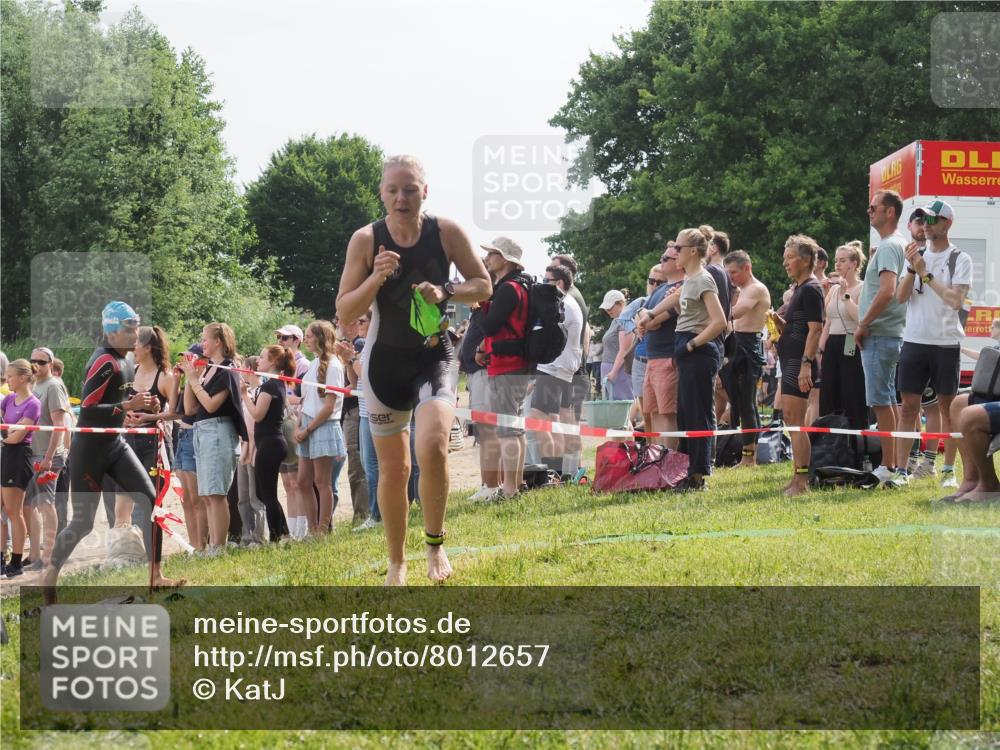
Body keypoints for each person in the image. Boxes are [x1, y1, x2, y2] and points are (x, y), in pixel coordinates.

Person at [337, 154, 491, 585]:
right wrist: (376, 278)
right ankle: (396, 561)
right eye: (393, 190)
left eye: (410, 189)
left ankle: (435, 544)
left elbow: (484, 285)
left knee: (433, 445)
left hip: (433, 356)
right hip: (384, 363)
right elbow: (346, 309)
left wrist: (445, 290)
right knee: (394, 469)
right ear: (382, 194)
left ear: (425, 191)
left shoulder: (445, 232)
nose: (401, 198)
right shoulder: (366, 240)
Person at [43, 302, 183, 598]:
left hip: (115, 443)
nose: (135, 334)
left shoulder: (127, 359)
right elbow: (89, 410)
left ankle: (155, 575)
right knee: (81, 523)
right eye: (129, 328)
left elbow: (118, 403)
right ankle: (50, 576)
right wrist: (127, 406)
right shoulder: (103, 361)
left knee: (150, 501)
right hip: (89, 450)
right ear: (112, 331)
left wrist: (143, 404)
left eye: (136, 327)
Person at [894, 201, 971, 484]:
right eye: (923, 219)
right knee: (907, 407)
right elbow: (901, 298)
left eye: (932, 220)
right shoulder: (916, 255)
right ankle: (901, 471)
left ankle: (949, 471)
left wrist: (926, 273)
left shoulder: (959, 258)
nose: (926, 225)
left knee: (947, 408)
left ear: (947, 223)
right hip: (914, 340)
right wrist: (914, 269)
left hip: (945, 343)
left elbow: (955, 301)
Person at [661, 226, 728, 490]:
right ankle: (687, 471)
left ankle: (698, 475)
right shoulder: (690, 279)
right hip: (687, 349)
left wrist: (691, 345)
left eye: (678, 248)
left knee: (698, 414)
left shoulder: (703, 278)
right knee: (686, 413)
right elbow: (681, 304)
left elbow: (720, 321)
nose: (674, 252)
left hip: (699, 352)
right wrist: (650, 314)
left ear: (692, 251)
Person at [473, 237, 533, 502]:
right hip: (515, 363)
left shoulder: (508, 289)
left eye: (492, 254)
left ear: (506, 259)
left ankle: (509, 489)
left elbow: (490, 327)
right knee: (515, 428)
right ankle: (515, 484)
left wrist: (476, 308)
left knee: (508, 429)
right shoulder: (519, 286)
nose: (487, 258)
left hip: (507, 365)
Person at [179, 322, 246, 555]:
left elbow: (210, 404)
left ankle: (219, 547)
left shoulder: (227, 369)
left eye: (205, 339)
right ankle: (212, 547)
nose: (202, 343)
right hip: (202, 431)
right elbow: (189, 408)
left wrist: (194, 381)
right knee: (207, 494)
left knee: (216, 494)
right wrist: (191, 379)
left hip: (219, 432)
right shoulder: (206, 370)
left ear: (218, 342)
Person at [856, 189, 908, 487]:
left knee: (880, 401)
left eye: (873, 207)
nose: (869, 211)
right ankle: (891, 464)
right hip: (886, 334)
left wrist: (863, 323)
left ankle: (889, 466)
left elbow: (887, 290)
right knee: (886, 401)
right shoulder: (895, 244)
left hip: (879, 334)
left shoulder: (889, 246)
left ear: (890, 212)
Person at [772, 236, 825, 496]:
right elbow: (801, 327)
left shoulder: (812, 289)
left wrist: (806, 365)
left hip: (798, 364)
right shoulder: (799, 289)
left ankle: (802, 482)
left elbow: (815, 330)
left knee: (796, 422)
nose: (786, 263)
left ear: (806, 260)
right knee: (791, 419)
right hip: (791, 360)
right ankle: (796, 477)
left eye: (790, 257)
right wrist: (780, 324)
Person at [113, 327, 177, 531]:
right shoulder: (129, 372)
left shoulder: (167, 376)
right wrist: (124, 417)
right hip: (127, 442)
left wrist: (150, 417)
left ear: (148, 347)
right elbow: (118, 405)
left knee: (149, 498)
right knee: (122, 498)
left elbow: (176, 413)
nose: (131, 348)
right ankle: (122, 549)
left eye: (135, 344)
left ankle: (148, 549)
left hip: (154, 445)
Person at [528, 265, 583, 476]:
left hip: (553, 367)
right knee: (554, 419)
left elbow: (544, 333)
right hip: (558, 367)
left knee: (536, 418)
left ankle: (552, 472)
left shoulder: (563, 304)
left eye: (546, 279)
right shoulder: (567, 302)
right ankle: (562, 472)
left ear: (558, 283)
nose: (542, 283)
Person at [294, 321, 345, 536]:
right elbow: (307, 398)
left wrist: (308, 429)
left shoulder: (333, 365)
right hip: (306, 423)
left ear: (321, 338)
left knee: (322, 481)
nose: (306, 340)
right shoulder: (314, 363)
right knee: (303, 481)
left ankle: (323, 530)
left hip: (323, 425)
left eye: (309, 336)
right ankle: (312, 529)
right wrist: (299, 425)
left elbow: (329, 406)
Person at [635, 242, 686, 449]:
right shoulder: (661, 289)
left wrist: (646, 321)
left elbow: (654, 320)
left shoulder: (680, 288)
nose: (661, 261)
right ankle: (656, 459)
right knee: (652, 412)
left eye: (666, 259)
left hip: (668, 356)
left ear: (679, 263)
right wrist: (644, 320)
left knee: (666, 413)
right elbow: (641, 313)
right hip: (652, 358)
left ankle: (669, 461)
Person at [22, 348, 70, 570]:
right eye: (33, 361)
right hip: (33, 452)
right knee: (31, 504)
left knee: (46, 504)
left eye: (41, 361)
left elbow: (59, 425)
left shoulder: (53, 386)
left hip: (48, 455)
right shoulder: (36, 386)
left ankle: (49, 556)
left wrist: (49, 458)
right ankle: (34, 556)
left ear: (50, 363)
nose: (36, 364)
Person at [723, 251, 771, 465]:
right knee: (736, 401)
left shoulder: (756, 289)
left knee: (746, 403)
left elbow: (738, 312)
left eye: (733, 272)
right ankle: (739, 449)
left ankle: (749, 457)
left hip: (749, 347)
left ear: (746, 268)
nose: (730, 277)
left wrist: (713, 313)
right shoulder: (741, 290)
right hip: (735, 344)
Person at [241, 345, 292, 542]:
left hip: (271, 443)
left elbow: (257, 414)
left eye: (261, 357)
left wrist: (245, 395)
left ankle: (276, 536)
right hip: (270, 443)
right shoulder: (275, 384)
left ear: (272, 362)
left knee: (267, 494)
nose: (258, 361)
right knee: (265, 493)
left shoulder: (271, 386)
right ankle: (284, 533)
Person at [548, 254, 590, 479]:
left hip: (572, 370)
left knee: (567, 421)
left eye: (552, 271)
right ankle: (574, 471)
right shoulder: (576, 295)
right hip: (575, 367)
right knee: (568, 421)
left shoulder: (569, 297)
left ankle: (573, 472)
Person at [818, 242, 867, 429]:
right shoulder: (833, 289)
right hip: (833, 342)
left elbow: (861, 318)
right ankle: (829, 439)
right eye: (836, 260)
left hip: (851, 342)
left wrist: (846, 295)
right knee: (829, 391)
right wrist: (820, 349)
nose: (837, 265)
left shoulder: (862, 288)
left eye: (843, 260)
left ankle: (856, 439)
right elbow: (827, 320)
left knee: (851, 392)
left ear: (853, 264)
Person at [1, 359, 41, 578]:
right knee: (2, 512)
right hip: (5, 454)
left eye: (10, 376)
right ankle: (1, 559)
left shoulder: (33, 403)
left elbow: (17, 437)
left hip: (18, 457)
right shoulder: (8, 399)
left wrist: (3, 437)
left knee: (13, 512)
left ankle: (16, 563)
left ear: (23, 377)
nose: (7, 380)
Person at [274, 324, 309, 539]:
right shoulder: (281, 367)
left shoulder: (303, 365)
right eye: (279, 338)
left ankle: (303, 529)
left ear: (297, 340)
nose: (280, 342)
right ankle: (294, 529)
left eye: (285, 338)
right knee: (287, 483)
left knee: (297, 481)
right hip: (283, 423)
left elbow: (306, 397)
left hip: (298, 422)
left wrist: (285, 399)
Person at [169, 343, 205, 550]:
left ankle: (201, 544)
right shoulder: (190, 382)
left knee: (196, 497)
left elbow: (191, 410)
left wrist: (191, 378)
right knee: (187, 499)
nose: (185, 362)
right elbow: (174, 410)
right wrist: (177, 380)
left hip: (193, 435)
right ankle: (193, 545)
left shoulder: (200, 382)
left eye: (190, 359)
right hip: (182, 435)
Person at [335, 314, 370, 526]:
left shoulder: (361, 343)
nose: (338, 322)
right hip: (352, 413)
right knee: (356, 467)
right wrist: (347, 360)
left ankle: (363, 515)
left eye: (341, 318)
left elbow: (356, 385)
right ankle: (362, 515)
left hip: (358, 412)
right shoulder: (352, 345)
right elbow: (353, 380)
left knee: (359, 467)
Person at [599, 290, 634, 400]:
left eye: (610, 306)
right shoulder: (615, 321)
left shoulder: (625, 321)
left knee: (621, 405)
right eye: (606, 307)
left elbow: (624, 349)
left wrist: (614, 372)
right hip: (609, 369)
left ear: (620, 304)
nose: (607, 310)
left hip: (618, 371)